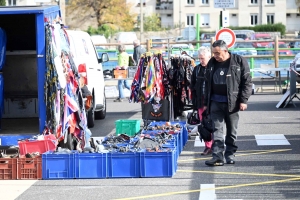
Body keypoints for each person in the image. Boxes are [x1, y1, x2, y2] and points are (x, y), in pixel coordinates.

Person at [204, 40, 252, 166]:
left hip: (233, 103)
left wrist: (244, 100)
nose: (215, 56)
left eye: (217, 53)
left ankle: (229, 155)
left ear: (225, 51)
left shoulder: (239, 61)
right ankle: (217, 157)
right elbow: (207, 83)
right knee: (217, 131)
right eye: (213, 53)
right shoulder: (212, 63)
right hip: (215, 102)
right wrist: (205, 102)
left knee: (231, 132)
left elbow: (247, 82)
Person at [190, 46, 213, 156]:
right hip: (200, 101)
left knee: (215, 125)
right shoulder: (197, 69)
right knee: (203, 125)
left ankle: (216, 146)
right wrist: (194, 102)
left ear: (209, 56)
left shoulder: (214, 68)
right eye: (199, 58)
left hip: (213, 101)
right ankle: (208, 147)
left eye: (202, 58)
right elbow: (192, 86)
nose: (200, 60)